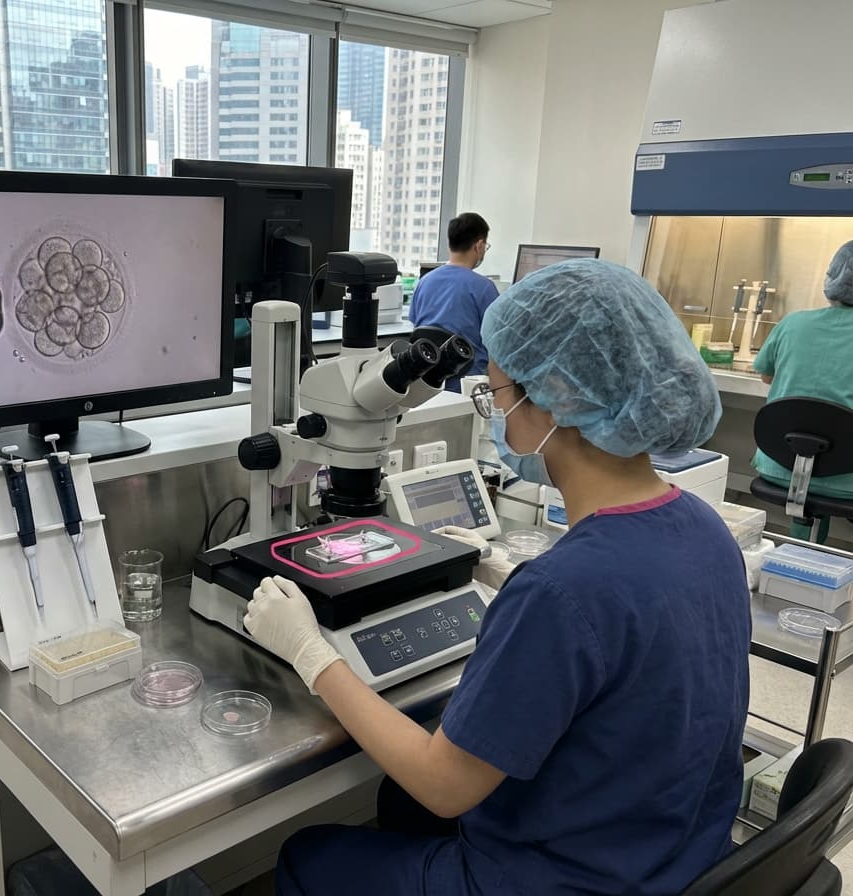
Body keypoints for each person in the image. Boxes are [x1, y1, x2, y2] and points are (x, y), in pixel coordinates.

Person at [245, 260, 752, 895]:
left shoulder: (563, 594)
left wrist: (310, 653)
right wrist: (508, 571)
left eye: (497, 393)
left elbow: (443, 785)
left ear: (557, 401)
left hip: (562, 883)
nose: (497, 415)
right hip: (674, 856)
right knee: (396, 805)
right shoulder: (704, 528)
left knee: (308, 853)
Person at [752, 240, 853, 544]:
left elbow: (767, 376)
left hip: (783, 465)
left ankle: (800, 553)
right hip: (847, 480)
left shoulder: (793, 323)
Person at [408, 212, 499, 392]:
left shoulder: (424, 282)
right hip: (468, 387)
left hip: (428, 386)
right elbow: (498, 341)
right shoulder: (484, 288)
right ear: (479, 246)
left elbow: (417, 326)